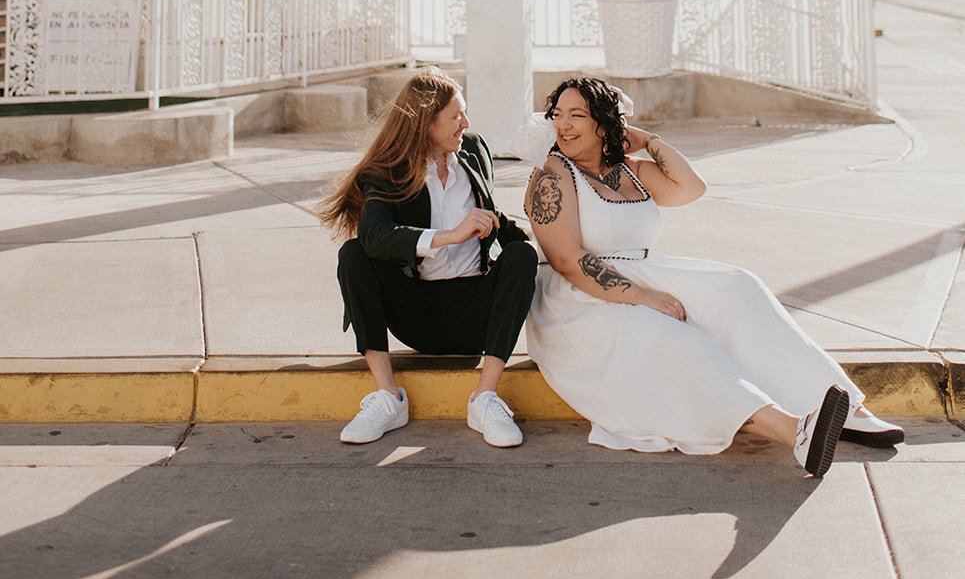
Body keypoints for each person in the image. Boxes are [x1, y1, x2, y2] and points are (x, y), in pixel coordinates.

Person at [525, 77, 905, 475]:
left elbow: (691, 187)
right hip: (579, 300)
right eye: (558, 115)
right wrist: (644, 297)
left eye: (577, 116)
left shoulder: (631, 170)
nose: (563, 125)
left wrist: (647, 140)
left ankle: (847, 408)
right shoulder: (553, 175)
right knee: (678, 340)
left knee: (739, 288)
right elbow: (568, 260)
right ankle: (794, 432)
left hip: (643, 273)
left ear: (604, 124)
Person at [319, 68, 537, 447]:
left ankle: (485, 399)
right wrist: (448, 236)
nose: (465, 123)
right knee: (354, 254)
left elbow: (491, 217)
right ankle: (388, 398)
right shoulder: (386, 172)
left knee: (521, 256)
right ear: (426, 122)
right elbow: (374, 236)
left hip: (474, 313)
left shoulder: (473, 150)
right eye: (456, 116)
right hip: (415, 313)